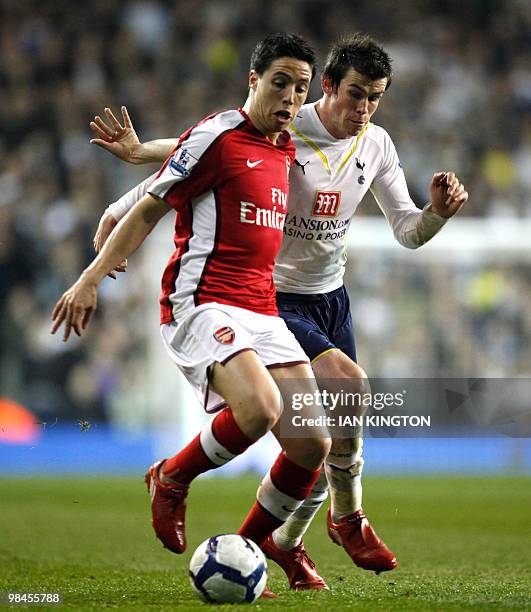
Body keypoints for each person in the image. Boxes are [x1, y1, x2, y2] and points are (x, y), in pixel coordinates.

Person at [89, 33, 469, 590]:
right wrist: (117, 205)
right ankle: (348, 517)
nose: (363, 109)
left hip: (331, 297)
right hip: (272, 295)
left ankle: (283, 542)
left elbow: (408, 232)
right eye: (355, 94)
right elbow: (200, 152)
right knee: (348, 384)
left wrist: (436, 214)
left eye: (376, 98)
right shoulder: (288, 125)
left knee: (324, 435)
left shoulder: (377, 145)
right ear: (328, 87)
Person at [51, 33, 333, 594]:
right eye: (280, 82)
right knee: (258, 408)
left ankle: (255, 549)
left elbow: (173, 151)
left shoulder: (283, 145)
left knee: (312, 444)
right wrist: (89, 277)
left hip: (262, 308)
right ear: (253, 80)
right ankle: (171, 477)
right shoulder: (219, 134)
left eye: (300, 87)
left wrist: (140, 152)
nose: (289, 96)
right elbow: (153, 206)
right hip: (202, 301)